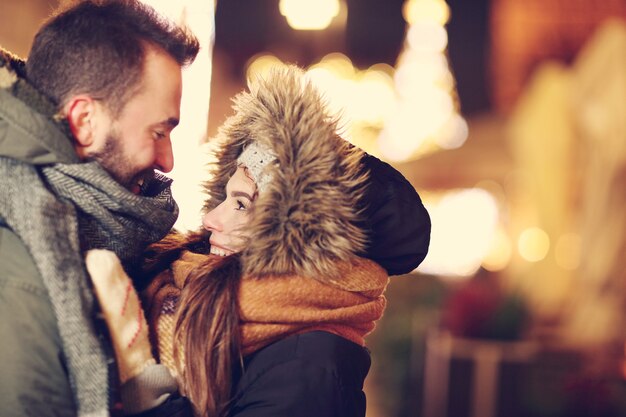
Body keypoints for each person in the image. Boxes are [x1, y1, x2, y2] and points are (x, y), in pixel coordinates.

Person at [88, 65, 431, 417]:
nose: (211, 219)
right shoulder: (203, 303)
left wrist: (148, 403)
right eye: (224, 198)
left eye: (241, 204)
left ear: (300, 240)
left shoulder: (310, 366)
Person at [0, 1, 199, 416]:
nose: (168, 161)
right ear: (84, 121)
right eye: (159, 131)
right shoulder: (19, 277)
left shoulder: (102, 245)